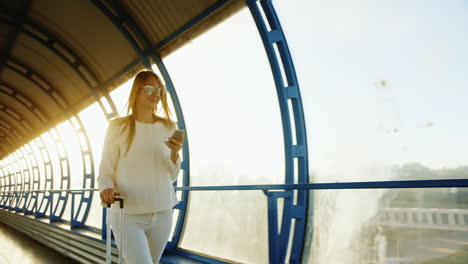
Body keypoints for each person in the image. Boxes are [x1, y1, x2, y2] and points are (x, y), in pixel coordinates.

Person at [98, 70, 184, 263]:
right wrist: (106, 189)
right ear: (136, 92)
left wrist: (174, 153)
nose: (155, 94)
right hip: (127, 214)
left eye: (159, 91)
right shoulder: (118, 127)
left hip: (162, 212)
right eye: (149, 89)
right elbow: (106, 169)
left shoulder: (169, 127)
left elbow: (172, 175)